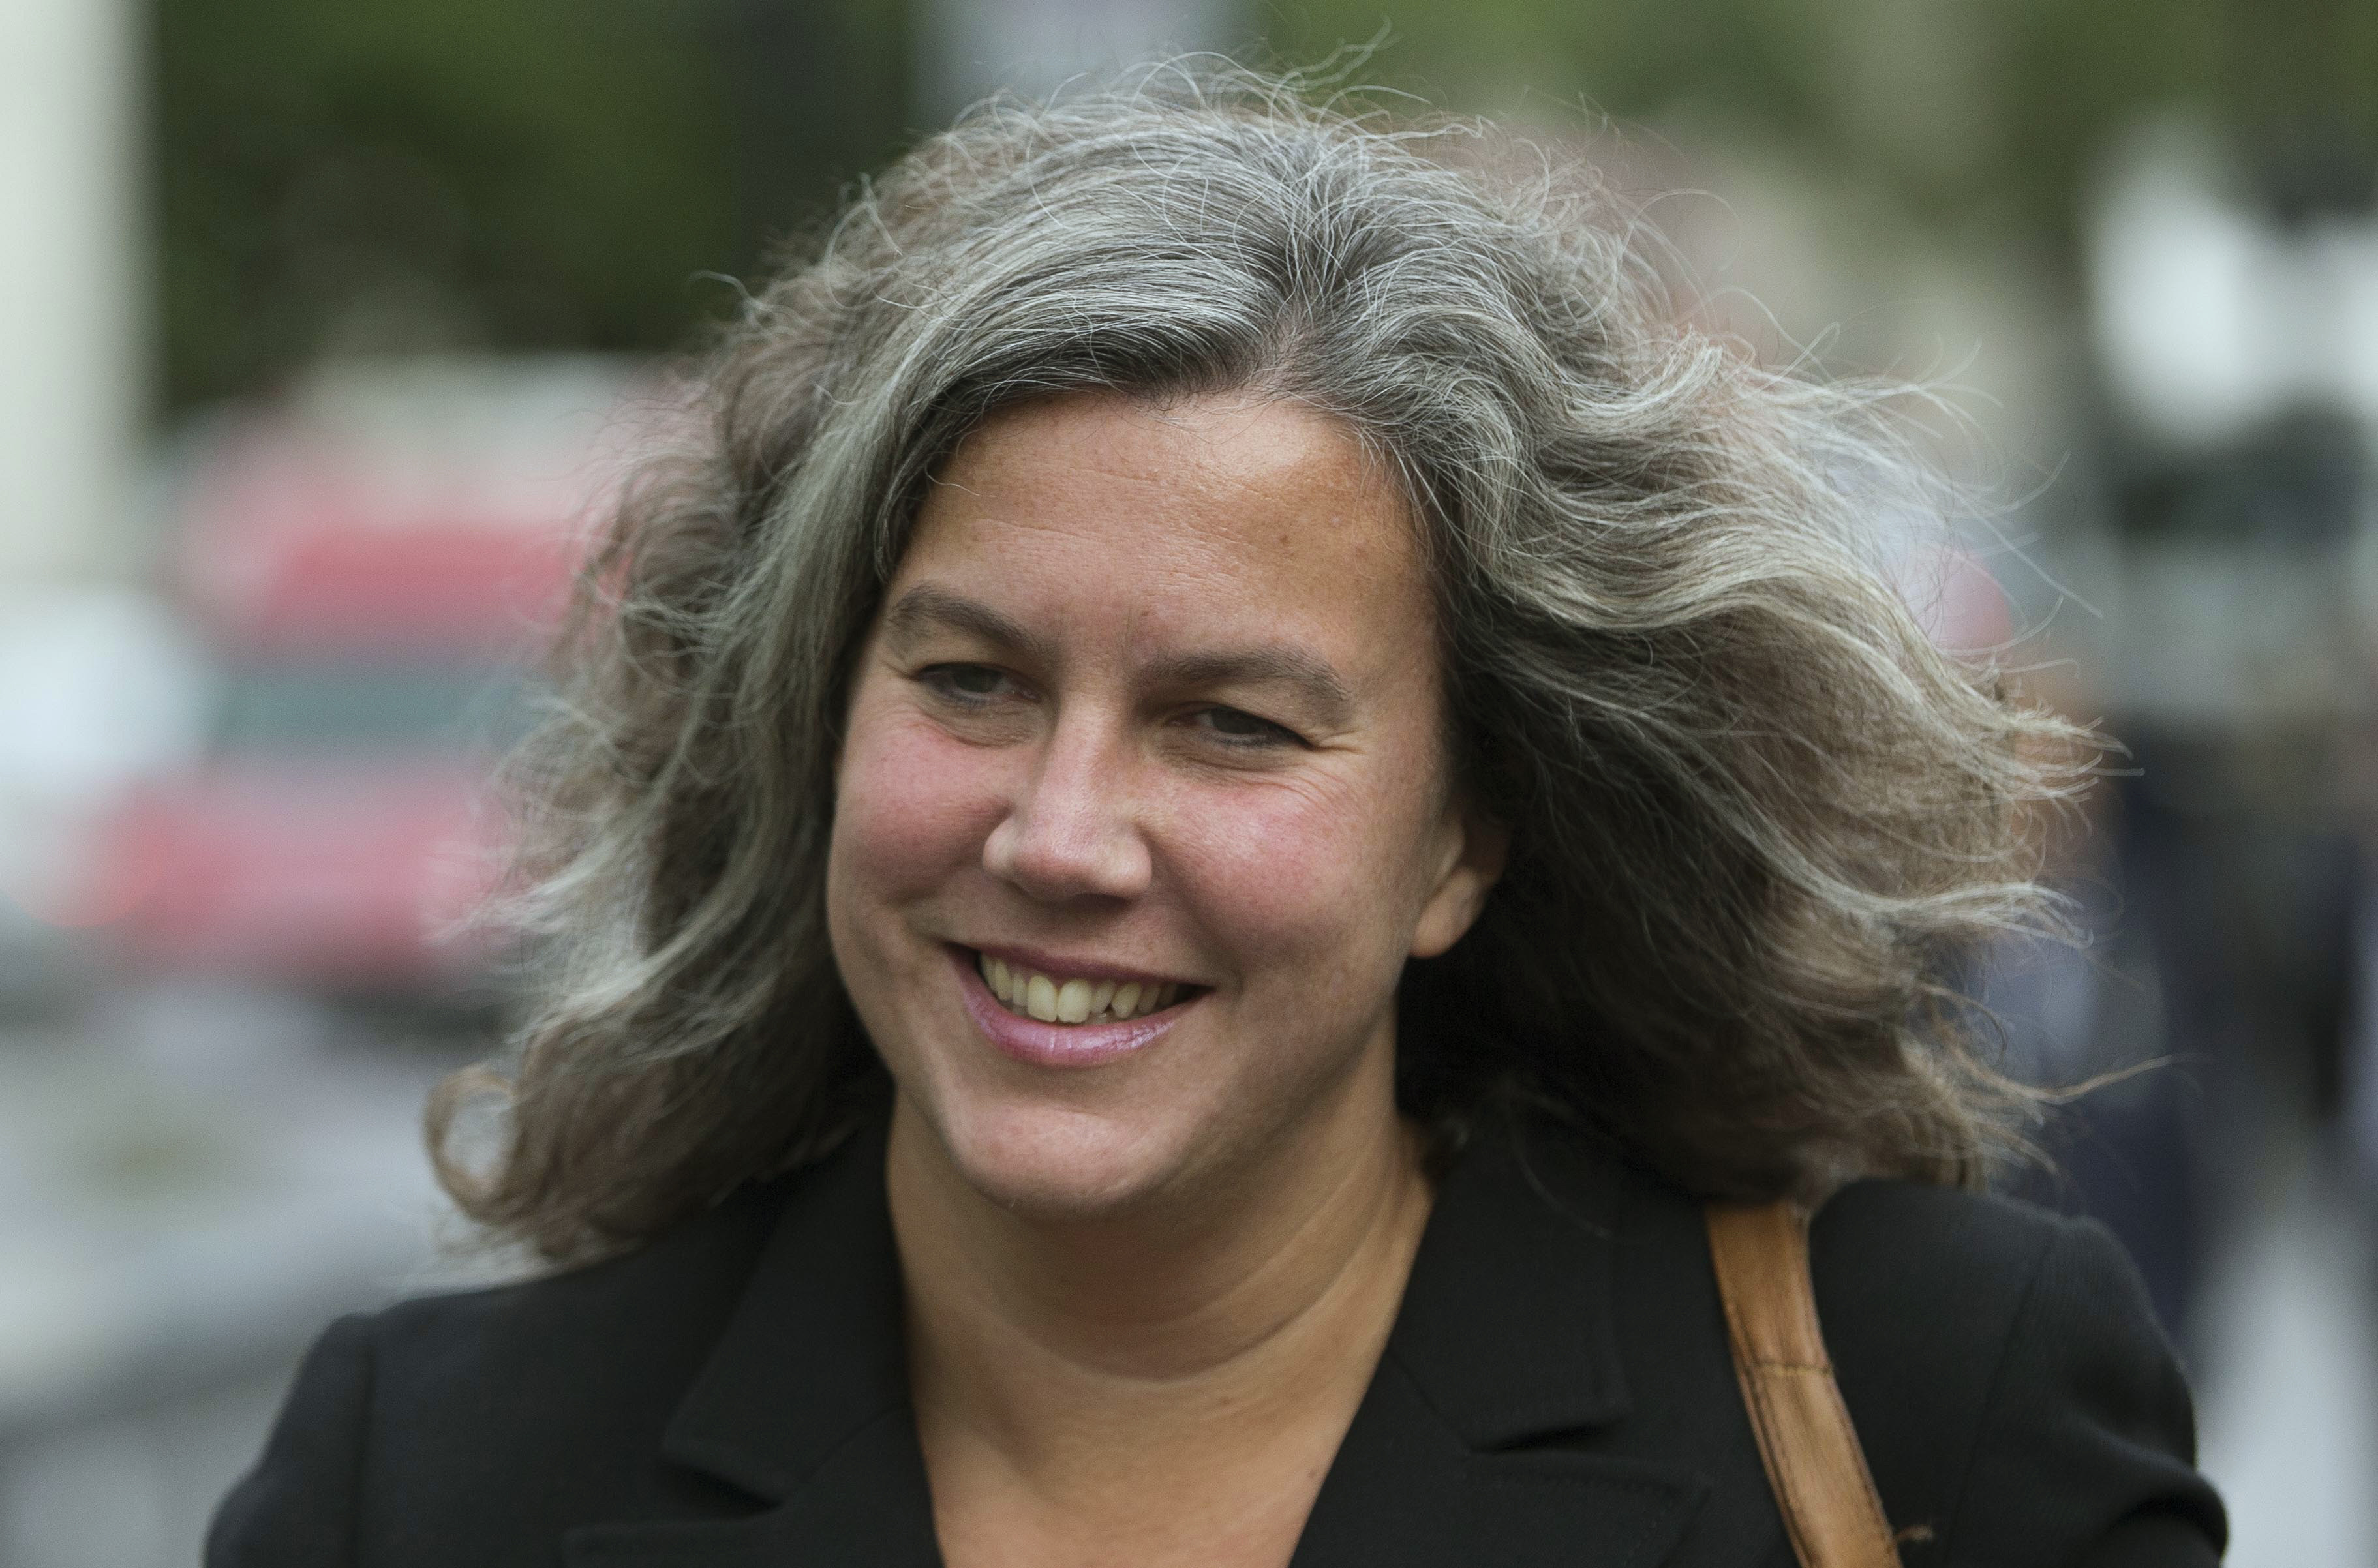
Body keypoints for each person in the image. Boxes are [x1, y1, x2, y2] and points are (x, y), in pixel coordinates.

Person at [209, 65, 2226, 1567]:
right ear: (814, 713)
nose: (1065, 833)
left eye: (1233, 722)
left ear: (1470, 835)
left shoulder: (1929, 1416)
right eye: (973, 681)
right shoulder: (431, 1480)